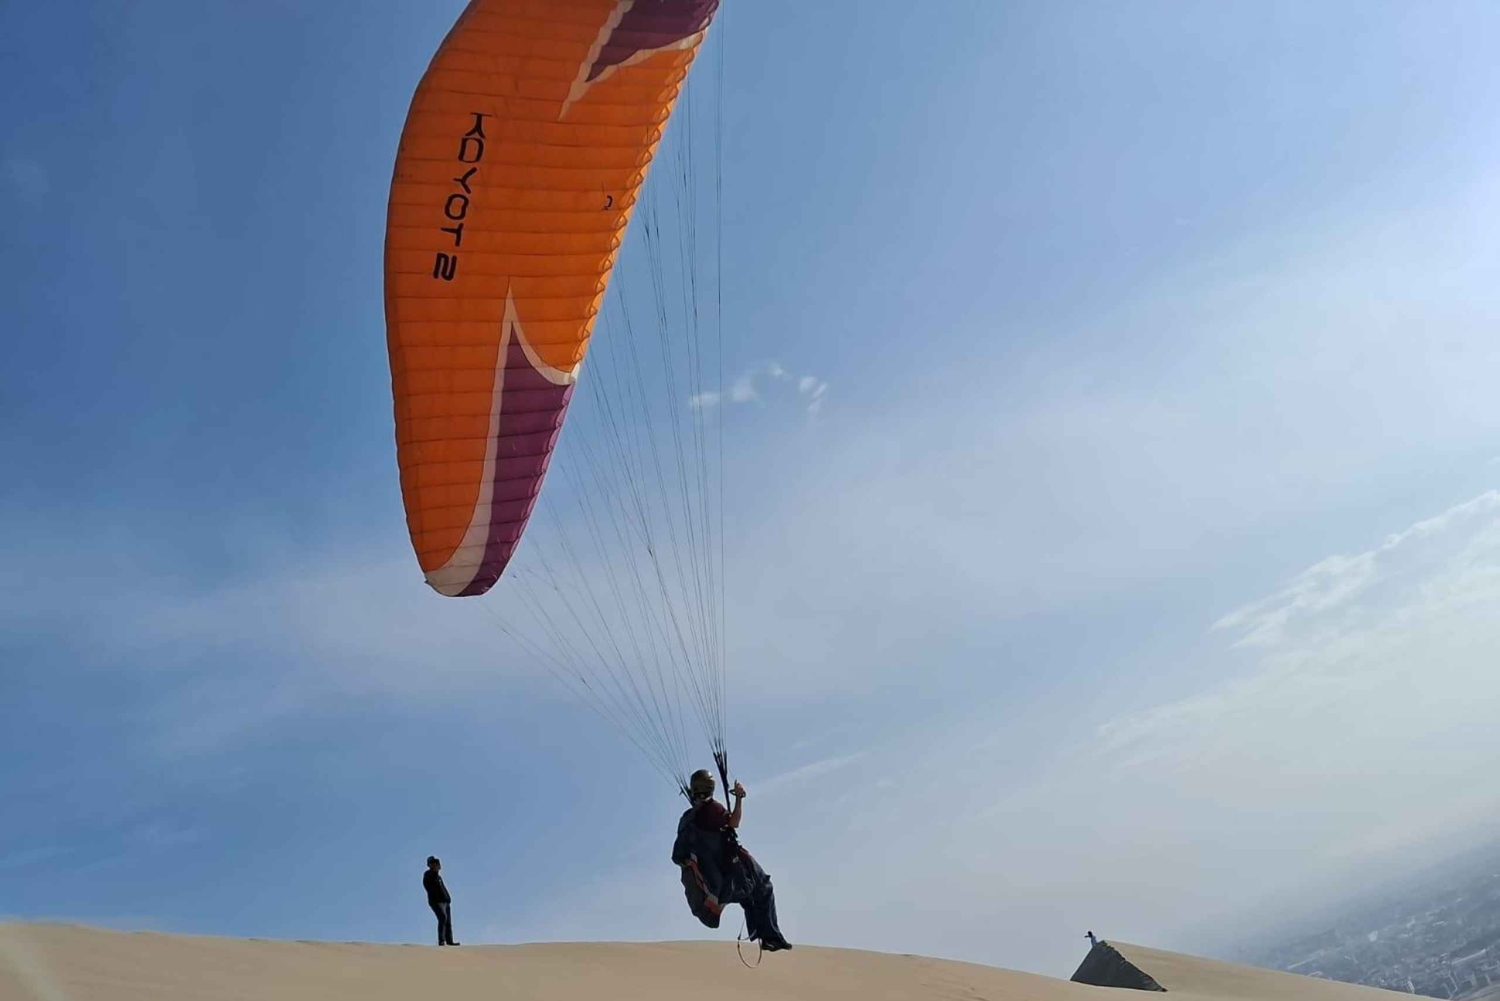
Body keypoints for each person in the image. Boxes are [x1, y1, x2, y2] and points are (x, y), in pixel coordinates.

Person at [671, 769, 792, 952]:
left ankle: (765, 935)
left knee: (750, 896)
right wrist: (739, 798)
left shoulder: (688, 818)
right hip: (733, 869)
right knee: (764, 887)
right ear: (711, 788)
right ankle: (769, 937)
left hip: (719, 880)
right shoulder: (713, 809)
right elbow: (734, 822)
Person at [423, 856, 459, 946]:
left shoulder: (439, 877)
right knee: (442, 917)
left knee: (448, 922)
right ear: (429, 865)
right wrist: (435, 872)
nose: (434, 865)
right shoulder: (427, 875)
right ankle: (441, 940)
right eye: (432, 863)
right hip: (435, 901)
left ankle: (450, 941)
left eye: (436, 863)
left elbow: (442, 888)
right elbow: (429, 886)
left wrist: (448, 898)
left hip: (445, 901)